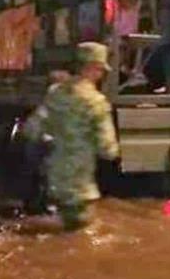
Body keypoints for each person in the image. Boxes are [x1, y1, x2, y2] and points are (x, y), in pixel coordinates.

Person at [22, 42, 120, 231]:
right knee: (79, 232)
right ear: (94, 68)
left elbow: (31, 129)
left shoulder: (55, 92)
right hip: (80, 187)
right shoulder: (95, 102)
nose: (101, 75)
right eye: (101, 70)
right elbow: (108, 150)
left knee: (59, 231)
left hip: (54, 179)